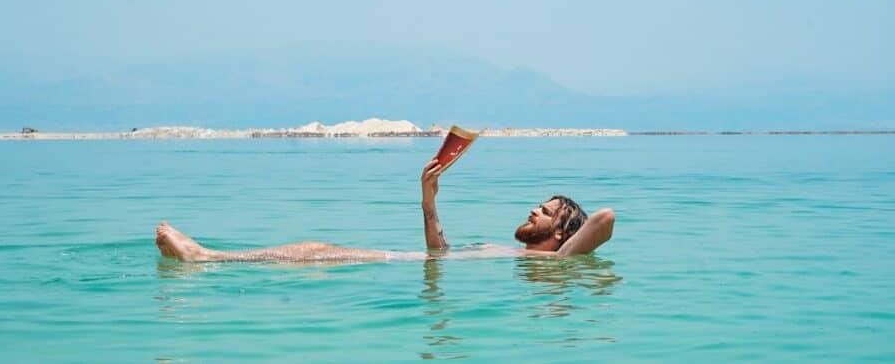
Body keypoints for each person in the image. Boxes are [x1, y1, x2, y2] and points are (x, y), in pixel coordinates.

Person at [155, 157, 616, 262]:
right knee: (315, 250)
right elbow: (442, 254)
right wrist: (428, 201)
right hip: (416, 263)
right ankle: (209, 258)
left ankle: (206, 259)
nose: (533, 210)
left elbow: (605, 218)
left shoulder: (557, 263)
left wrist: (566, 248)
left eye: (546, 211)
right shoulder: (524, 258)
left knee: (315, 253)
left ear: (561, 231)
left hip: (398, 267)